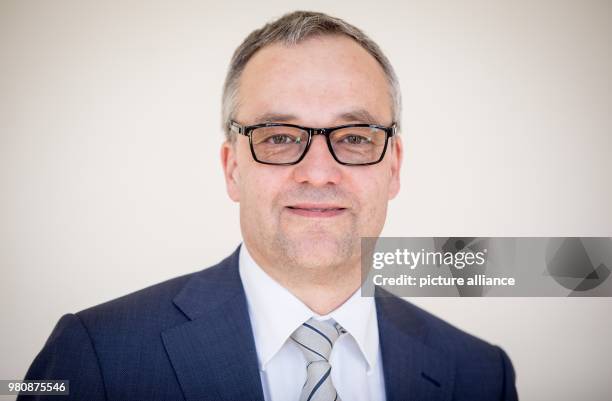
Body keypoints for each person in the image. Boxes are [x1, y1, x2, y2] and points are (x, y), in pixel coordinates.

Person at [21, 11, 518, 401]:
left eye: (355, 137)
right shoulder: (94, 353)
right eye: (279, 137)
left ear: (394, 166)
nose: (319, 172)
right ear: (232, 167)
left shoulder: (478, 373)